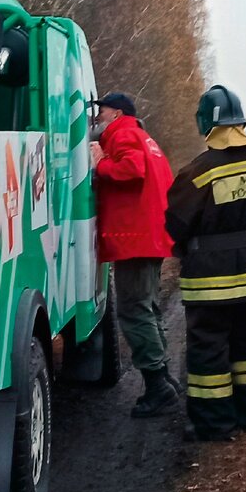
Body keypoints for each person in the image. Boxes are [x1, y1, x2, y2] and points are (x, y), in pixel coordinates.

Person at [165, 85, 246, 442]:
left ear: (207, 124)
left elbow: (176, 224)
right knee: (245, 344)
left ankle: (213, 425)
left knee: (208, 350)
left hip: (211, 278)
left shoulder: (198, 172)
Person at [88, 92, 179, 418]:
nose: (98, 117)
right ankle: (164, 376)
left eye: (103, 111)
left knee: (134, 310)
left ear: (117, 113)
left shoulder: (123, 133)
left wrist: (100, 164)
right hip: (150, 236)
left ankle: (158, 387)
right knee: (149, 307)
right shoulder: (144, 136)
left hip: (136, 238)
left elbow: (131, 169)